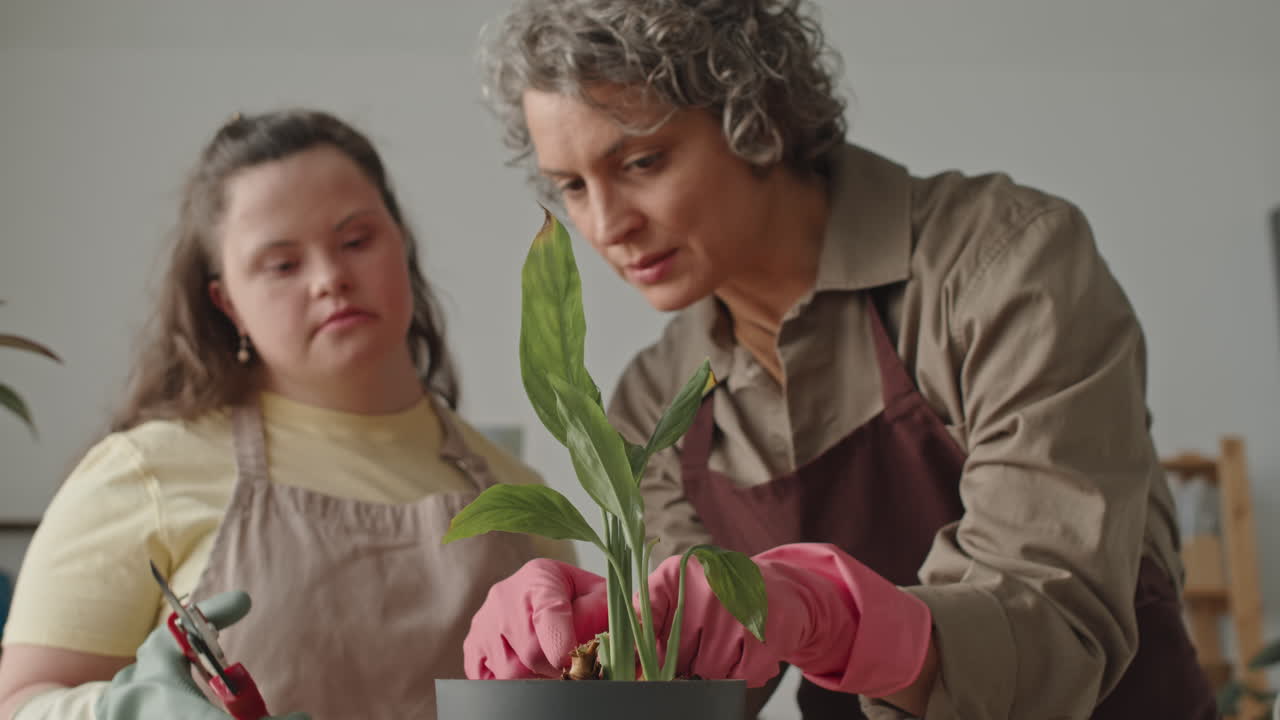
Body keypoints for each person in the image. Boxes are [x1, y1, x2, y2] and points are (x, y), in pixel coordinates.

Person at [462, 1, 1217, 718]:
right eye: (570, 187)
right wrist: (594, 650)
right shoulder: (656, 403)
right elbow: (704, 684)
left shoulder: (1000, 269)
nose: (605, 226)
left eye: (642, 162)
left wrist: (829, 617)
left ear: (751, 115)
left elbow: (1054, 621)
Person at [0, 109, 573, 720]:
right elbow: (19, 703)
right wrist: (128, 712)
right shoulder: (142, 472)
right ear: (228, 303)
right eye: (281, 264)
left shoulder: (520, 494)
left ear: (401, 242)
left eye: (356, 241)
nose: (331, 279)